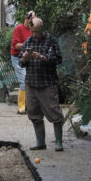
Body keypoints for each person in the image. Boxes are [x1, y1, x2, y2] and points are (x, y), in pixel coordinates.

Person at [20, 17, 65, 151]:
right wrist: (24, 58)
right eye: (32, 31)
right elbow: (21, 63)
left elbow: (58, 59)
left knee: (54, 112)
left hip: (47, 83)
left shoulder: (51, 41)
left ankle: (58, 142)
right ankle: (40, 142)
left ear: (42, 30)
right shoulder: (28, 41)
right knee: (33, 113)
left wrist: (42, 57)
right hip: (31, 83)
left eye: (36, 32)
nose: (33, 34)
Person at [10, 11, 35, 114]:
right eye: (31, 20)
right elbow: (15, 45)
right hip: (17, 57)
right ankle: (21, 107)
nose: (32, 23)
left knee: (31, 81)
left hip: (29, 58)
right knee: (24, 80)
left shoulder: (34, 29)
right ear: (26, 19)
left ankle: (30, 106)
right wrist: (27, 44)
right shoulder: (19, 29)